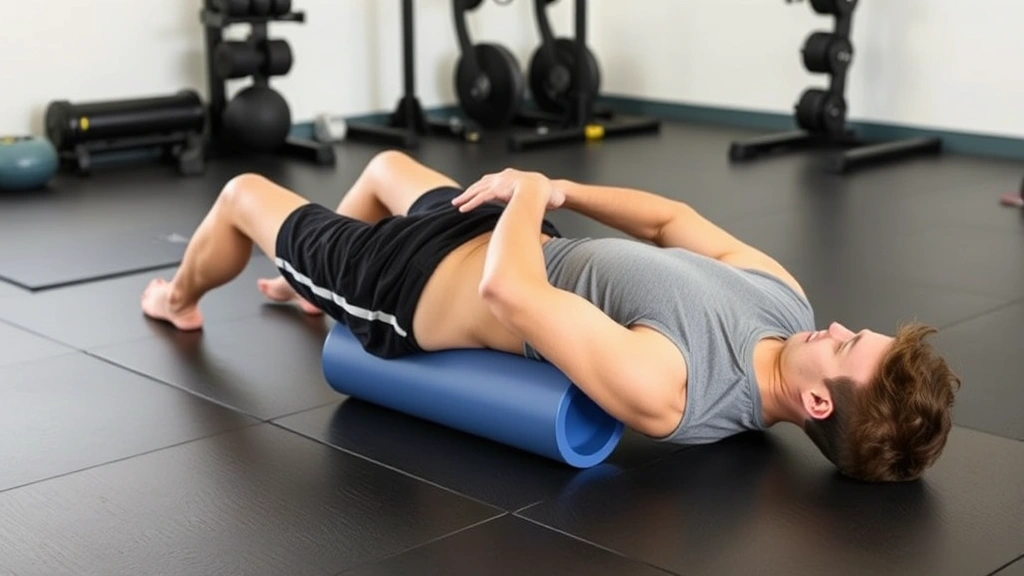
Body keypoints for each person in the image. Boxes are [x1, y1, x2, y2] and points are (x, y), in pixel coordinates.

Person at [141, 150, 961, 482]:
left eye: (845, 347)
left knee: (242, 193)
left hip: (411, 281)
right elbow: (672, 221)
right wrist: (558, 190)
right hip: (509, 233)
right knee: (387, 166)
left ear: (817, 402)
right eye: (855, 331)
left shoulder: (673, 387)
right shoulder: (785, 302)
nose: (837, 327)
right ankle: (308, 286)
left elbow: (511, 295)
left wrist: (530, 189)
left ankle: (178, 300)